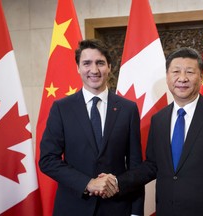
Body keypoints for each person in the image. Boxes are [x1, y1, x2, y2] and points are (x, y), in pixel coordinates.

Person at [114, 47, 203, 216]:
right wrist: (116, 182)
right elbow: (152, 165)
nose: (182, 78)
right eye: (176, 71)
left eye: (190, 72)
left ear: (201, 78)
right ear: (167, 77)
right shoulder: (159, 120)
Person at [39, 39, 144, 216]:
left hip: (117, 208)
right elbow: (48, 160)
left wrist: (136, 212)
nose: (94, 70)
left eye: (100, 63)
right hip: (73, 207)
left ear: (109, 67)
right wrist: (88, 183)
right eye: (87, 63)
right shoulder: (62, 108)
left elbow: (135, 167)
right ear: (78, 68)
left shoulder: (128, 109)